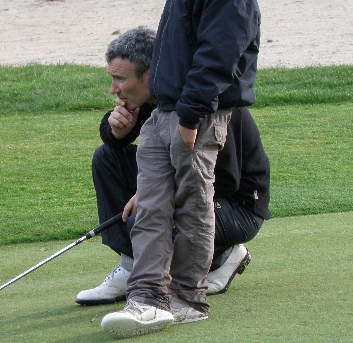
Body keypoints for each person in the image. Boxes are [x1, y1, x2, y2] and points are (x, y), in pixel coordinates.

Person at [101, 0, 263, 338]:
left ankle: (188, 298)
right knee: (152, 207)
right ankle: (148, 297)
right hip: (165, 112)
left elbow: (218, 56)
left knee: (192, 207)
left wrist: (190, 114)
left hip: (197, 115)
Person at [77, 27, 269, 309]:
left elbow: (222, 179)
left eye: (120, 79)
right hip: (192, 188)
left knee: (153, 209)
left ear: (151, 73)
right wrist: (117, 132)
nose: (113, 89)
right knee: (107, 157)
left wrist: (156, 191)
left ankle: (222, 258)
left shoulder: (201, 101)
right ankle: (131, 265)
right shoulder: (150, 98)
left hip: (235, 207)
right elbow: (113, 139)